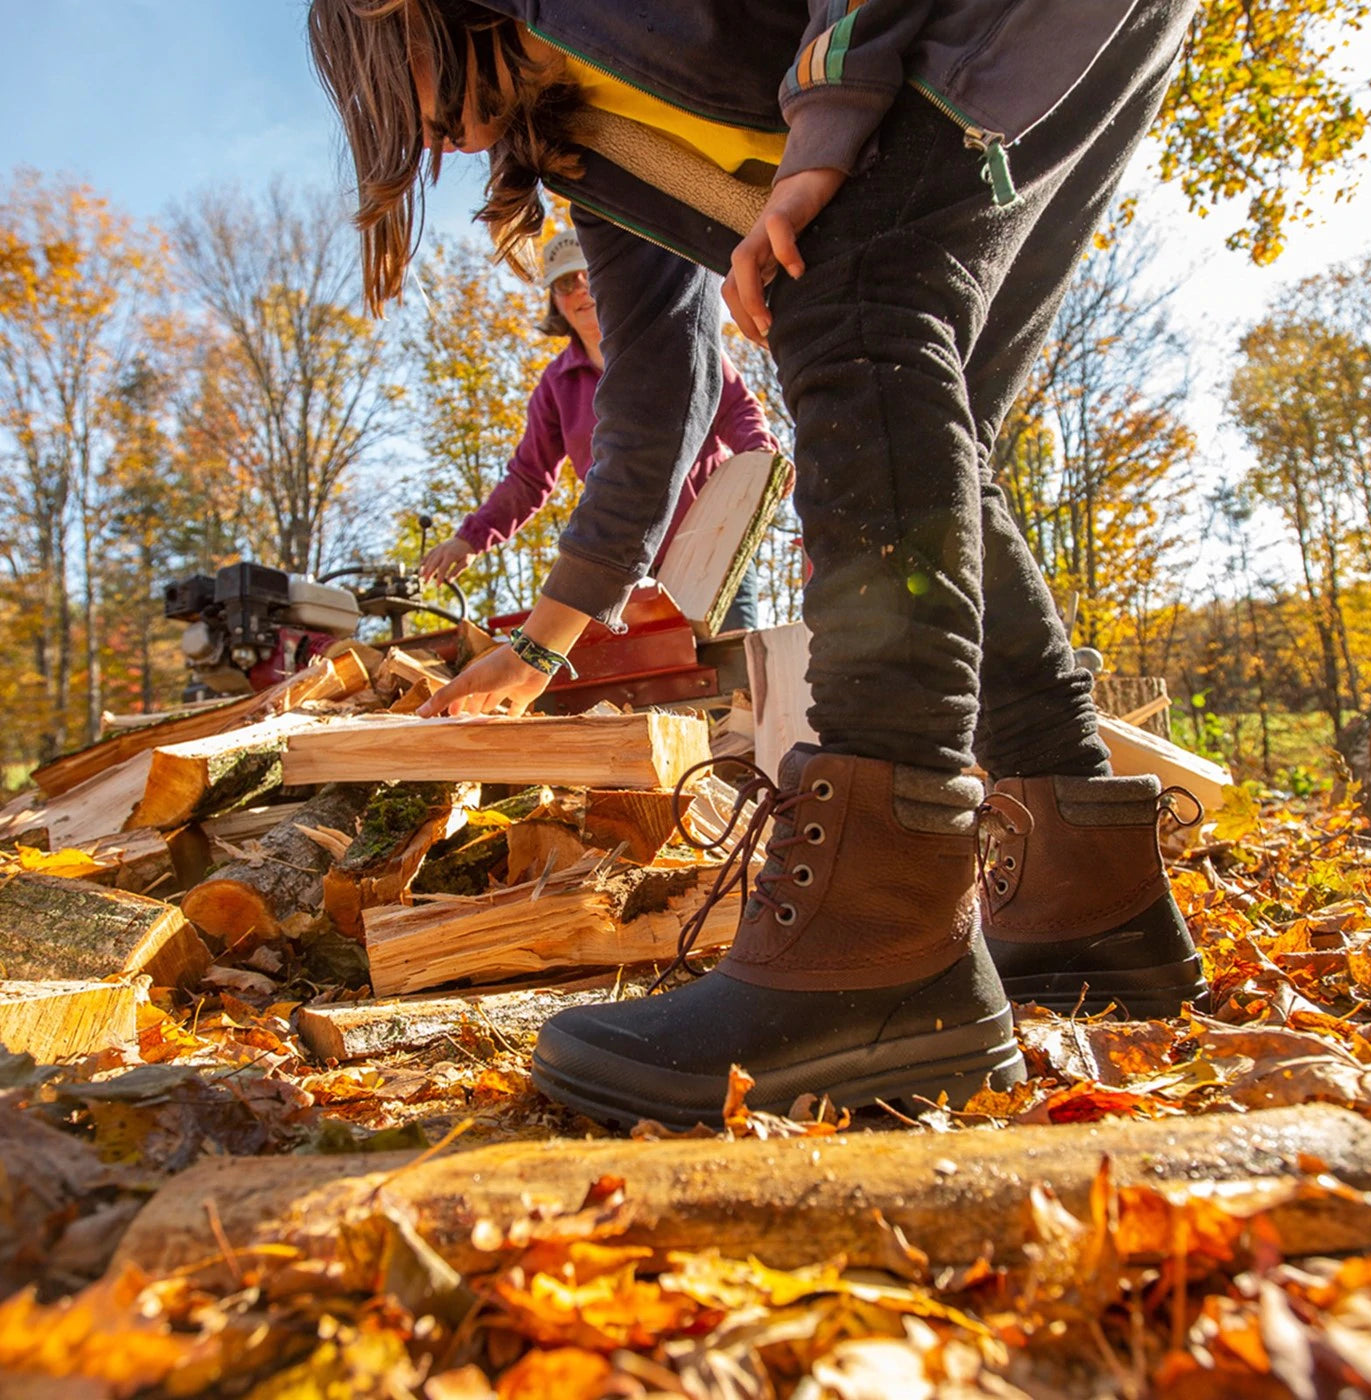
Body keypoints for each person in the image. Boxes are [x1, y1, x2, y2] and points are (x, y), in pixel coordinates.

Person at [310, 0, 1208, 1129]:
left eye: (395, 104)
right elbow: (654, 397)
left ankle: (877, 936)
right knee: (921, 408)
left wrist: (826, 130)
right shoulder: (583, 132)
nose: (426, 145)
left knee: (854, 297)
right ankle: (1092, 900)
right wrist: (543, 639)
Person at [420, 228, 781, 633]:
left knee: (736, 667)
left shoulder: (671, 340)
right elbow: (527, 477)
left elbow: (737, 410)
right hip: (632, 565)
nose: (580, 289)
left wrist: (760, 461)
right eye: (564, 283)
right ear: (555, 301)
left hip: (715, 539)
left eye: (588, 271)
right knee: (662, 681)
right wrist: (471, 537)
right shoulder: (556, 387)